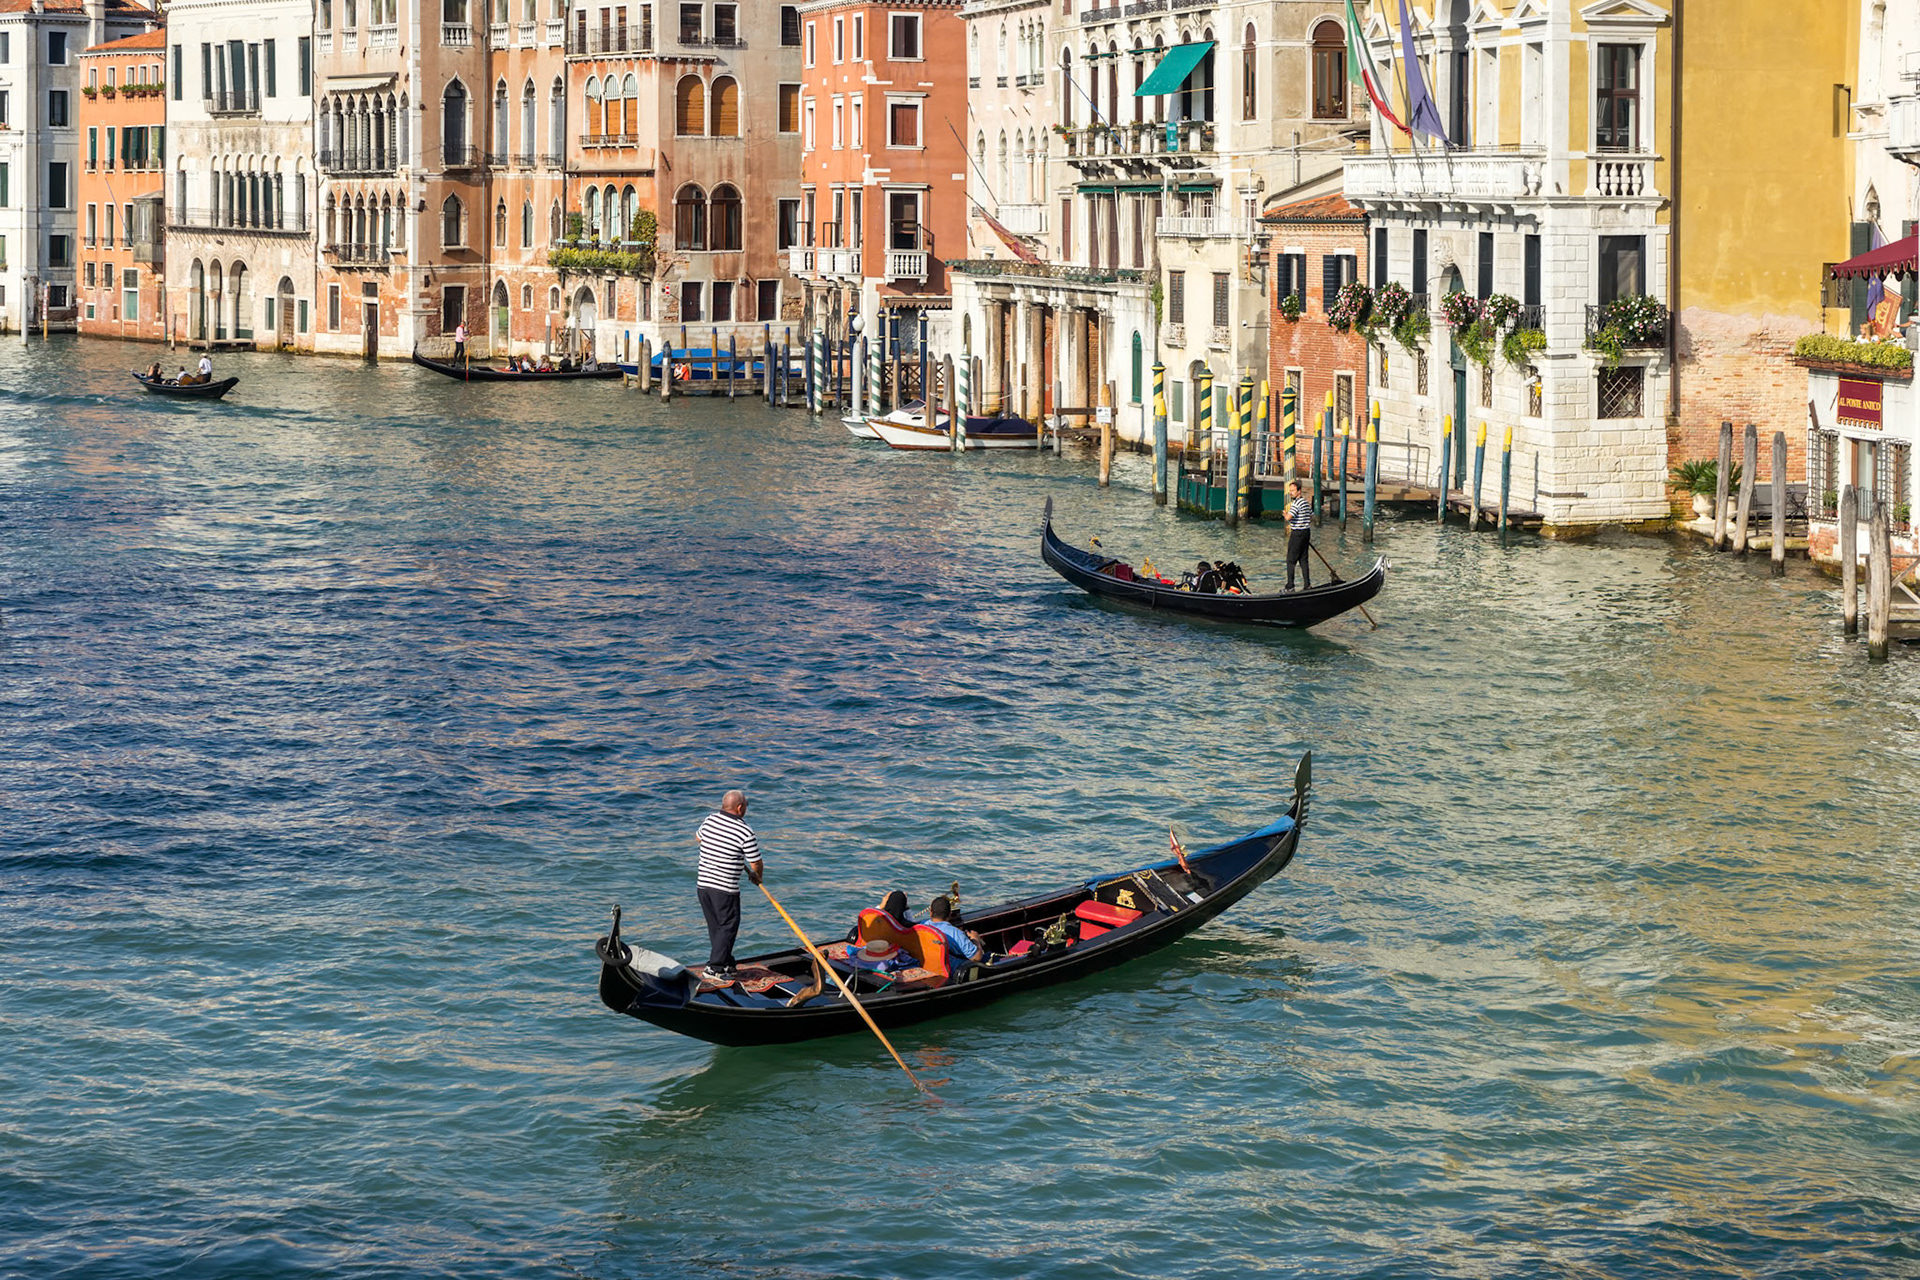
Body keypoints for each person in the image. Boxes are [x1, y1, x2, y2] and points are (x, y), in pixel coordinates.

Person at [694, 790, 763, 982]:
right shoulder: (745, 831)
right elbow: (756, 862)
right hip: (724, 889)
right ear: (740, 808)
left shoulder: (710, 820)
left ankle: (726, 962)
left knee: (717, 926)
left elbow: (698, 838)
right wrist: (757, 877)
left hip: (703, 886)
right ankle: (714, 968)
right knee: (728, 926)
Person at [917, 895, 983, 972]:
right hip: (953, 970)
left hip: (930, 964)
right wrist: (975, 939)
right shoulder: (955, 933)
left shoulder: (922, 926)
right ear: (949, 914)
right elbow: (976, 957)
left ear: (931, 912)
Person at [1284, 480, 1313, 592]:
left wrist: (1285, 514)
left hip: (1297, 534)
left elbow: (1289, 518)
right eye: (1290, 491)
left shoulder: (1296, 504)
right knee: (1303, 560)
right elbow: (1312, 515)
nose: (1291, 493)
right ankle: (1307, 584)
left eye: (1292, 491)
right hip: (1306, 532)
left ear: (1299, 491)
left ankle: (1290, 586)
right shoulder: (1305, 502)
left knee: (1290, 560)